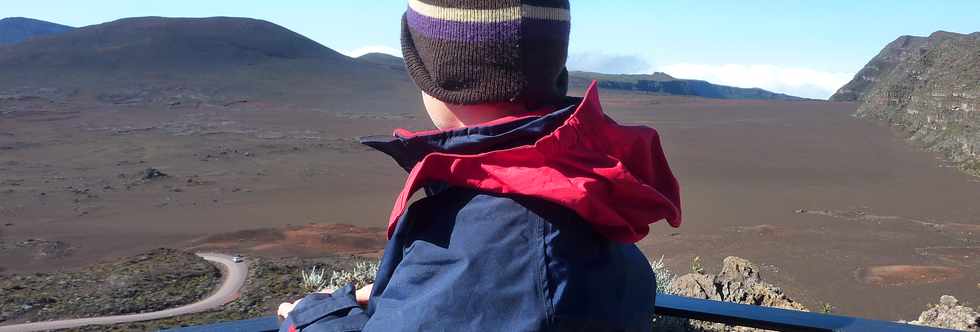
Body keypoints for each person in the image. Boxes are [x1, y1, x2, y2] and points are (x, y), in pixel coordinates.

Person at [278, 1, 681, 331]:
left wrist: (309, 318)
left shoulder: (488, 241)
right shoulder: (582, 182)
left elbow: (488, 289)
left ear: (436, 75)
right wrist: (403, 291)